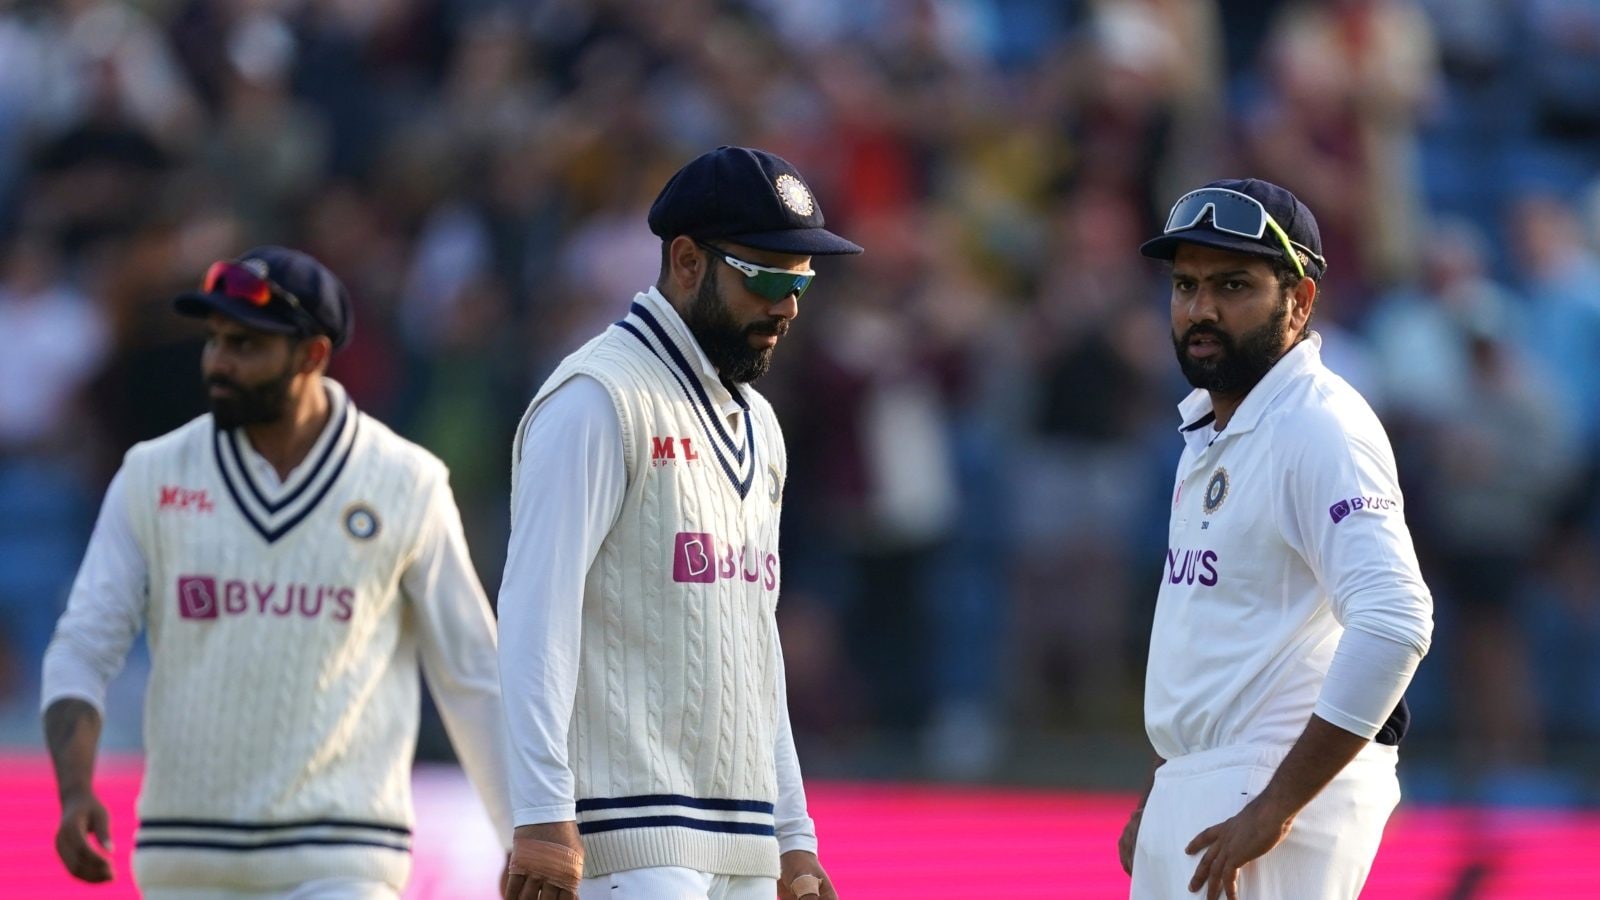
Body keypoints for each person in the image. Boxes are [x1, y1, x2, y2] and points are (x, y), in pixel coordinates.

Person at [40, 246, 513, 898]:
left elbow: (472, 675)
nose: (218, 363)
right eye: (214, 341)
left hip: (342, 856)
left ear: (314, 356)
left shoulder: (406, 481)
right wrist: (73, 791)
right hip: (187, 857)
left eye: (246, 345)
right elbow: (82, 646)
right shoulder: (152, 474)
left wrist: (524, 833)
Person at [496, 146, 860, 900]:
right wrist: (538, 813)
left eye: (802, 282)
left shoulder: (760, 423)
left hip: (744, 839)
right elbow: (535, 616)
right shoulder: (597, 399)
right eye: (766, 276)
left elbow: (757, 645)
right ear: (687, 261)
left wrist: (793, 835)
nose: (788, 305)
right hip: (624, 836)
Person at [1118, 179, 1434, 900]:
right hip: (1207, 782)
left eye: (1233, 285)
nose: (1201, 309)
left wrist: (1277, 805)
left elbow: (1395, 620)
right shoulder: (1215, 430)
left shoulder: (1318, 425)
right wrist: (1161, 783)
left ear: (1299, 300)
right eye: (1185, 285)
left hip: (1269, 789)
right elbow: (1214, 637)